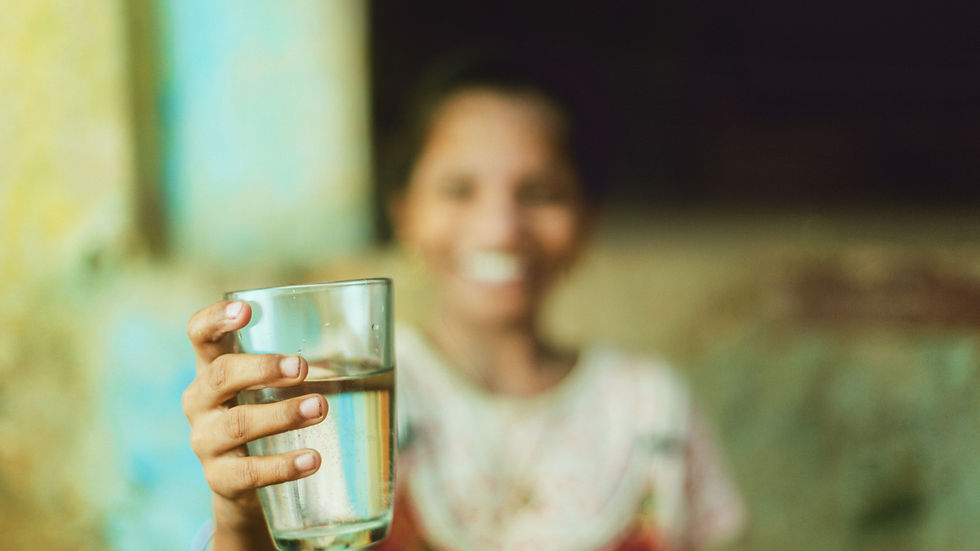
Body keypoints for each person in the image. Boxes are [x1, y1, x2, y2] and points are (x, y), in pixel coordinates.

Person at [182, 53, 746, 551]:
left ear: (589, 217)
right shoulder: (327, 398)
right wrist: (241, 526)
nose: (501, 229)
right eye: (458, 190)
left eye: (542, 193)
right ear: (404, 211)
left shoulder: (652, 412)